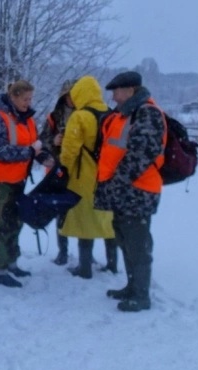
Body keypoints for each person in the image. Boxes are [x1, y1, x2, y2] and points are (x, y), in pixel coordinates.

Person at [95, 71, 166, 312]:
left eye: (116, 91)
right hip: (125, 191)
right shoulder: (125, 115)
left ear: (131, 91)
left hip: (138, 191)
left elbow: (140, 155)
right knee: (125, 241)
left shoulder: (147, 113)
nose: (113, 96)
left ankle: (141, 295)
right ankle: (132, 286)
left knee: (137, 243)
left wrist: (116, 183)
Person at [0, 80, 54, 288]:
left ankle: (12, 262)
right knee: (0, 224)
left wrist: (43, 158)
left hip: (16, 180)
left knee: (15, 221)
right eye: (24, 99)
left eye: (30, 99)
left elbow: (32, 145)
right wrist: (30, 152)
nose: (28, 103)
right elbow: (0, 151)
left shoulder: (27, 119)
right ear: (13, 97)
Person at [57, 75, 117, 279]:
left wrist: (63, 170)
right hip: (109, 176)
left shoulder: (80, 116)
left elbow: (69, 151)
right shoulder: (112, 115)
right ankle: (112, 264)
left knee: (85, 221)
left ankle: (84, 268)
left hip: (85, 176)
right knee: (108, 220)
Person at [39, 79, 75, 265]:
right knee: (62, 213)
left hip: (80, 171)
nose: (71, 98)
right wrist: (53, 140)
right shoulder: (54, 117)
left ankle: (86, 252)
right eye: (68, 95)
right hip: (58, 171)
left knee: (83, 212)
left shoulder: (88, 115)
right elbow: (41, 142)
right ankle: (63, 251)